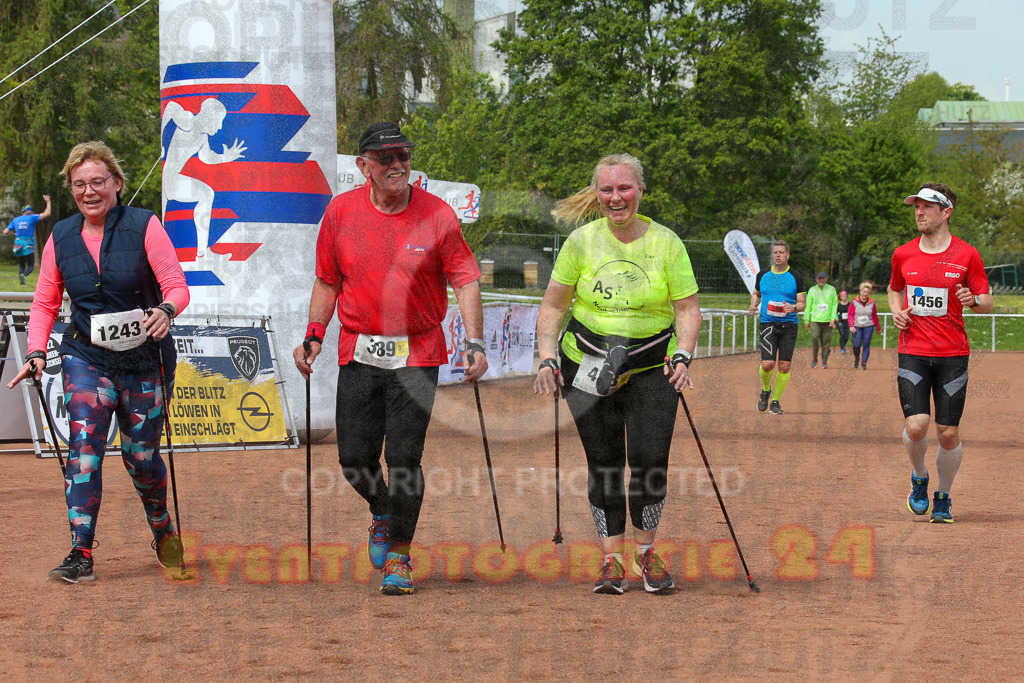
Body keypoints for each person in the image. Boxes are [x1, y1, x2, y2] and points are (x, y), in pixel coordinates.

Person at [293, 122, 487, 596]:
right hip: (358, 349)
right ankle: (382, 511)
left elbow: (465, 278)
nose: (397, 164)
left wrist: (475, 341)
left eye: (402, 155)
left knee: (404, 457)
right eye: (385, 158)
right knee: (354, 458)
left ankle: (399, 556)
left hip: (417, 351)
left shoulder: (438, 216)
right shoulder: (340, 212)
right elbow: (327, 280)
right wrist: (314, 334)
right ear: (364, 167)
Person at [5, 141, 189, 582]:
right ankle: (81, 552)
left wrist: (165, 311)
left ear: (117, 184)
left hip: (146, 359)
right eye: (79, 185)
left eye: (97, 182)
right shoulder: (61, 236)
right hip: (86, 357)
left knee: (141, 457)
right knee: (84, 448)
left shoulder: (145, 225)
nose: (89, 192)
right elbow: (44, 303)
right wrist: (34, 352)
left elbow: (176, 286)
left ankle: (162, 529)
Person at [533, 154, 701, 595]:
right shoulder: (581, 242)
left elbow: (686, 307)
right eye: (606, 190)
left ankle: (645, 553)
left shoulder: (667, 243)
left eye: (623, 188)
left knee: (649, 462)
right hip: (587, 364)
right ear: (597, 195)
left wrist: (683, 354)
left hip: (650, 368)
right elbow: (553, 304)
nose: (615, 197)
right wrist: (547, 356)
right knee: (603, 464)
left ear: (640, 190)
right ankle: (610, 561)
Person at [888, 183, 992, 524]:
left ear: (946, 213)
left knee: (947, 432)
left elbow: (986, 303)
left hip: (952, 355)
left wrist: (972, 300)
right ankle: (919, 477)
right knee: (917, 427)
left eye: (927, 207)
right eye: (916, 207)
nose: (918, 212)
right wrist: (896, 311)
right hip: (913, 351)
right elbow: (894, 289)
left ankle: (943, 496)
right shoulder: (903, 253)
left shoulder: (967, 254)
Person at [161, 98, 247, 259]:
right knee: (206, 194)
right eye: (219, 121)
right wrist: (162, 142)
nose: (220, 127)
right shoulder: (189, 121)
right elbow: (172, 106)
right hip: (170, 179)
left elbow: (207, 158)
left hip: (173, 179)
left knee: (206, 194)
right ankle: (201, 252)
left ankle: (202, 251)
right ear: (209, 116)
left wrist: (226, 157)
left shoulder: (202, 137)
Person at [749, 241, 806, 415]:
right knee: (767, 364)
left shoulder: (796, 277)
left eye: (781, 252)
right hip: (768, 324)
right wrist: (753, 305)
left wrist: (794, 308)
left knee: (784, 365)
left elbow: (802, 303)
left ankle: (775, 401)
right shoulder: (763, 275)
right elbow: (756, 294)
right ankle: (766, 390)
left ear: (788, 255)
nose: (778, 255)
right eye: (775, 252)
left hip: (789, 325)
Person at [3, 196, 51, 284]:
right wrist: (48, 201)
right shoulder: (32, 217)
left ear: (23, 212)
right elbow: (47, 213)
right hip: (27, 242)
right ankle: (24, 276)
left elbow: (5, 231)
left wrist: (14, 234)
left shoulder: (16, 220)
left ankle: (22, 281)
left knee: (21, 264)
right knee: (30, 265)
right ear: (30, 211)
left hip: (18, 241)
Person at [804, 271, 838, 368]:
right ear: (817, 280)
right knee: (814, 338)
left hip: (827, 320)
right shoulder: (812, 290)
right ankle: (814, 358)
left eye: (823, 278)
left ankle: (824, 360)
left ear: (826, 279)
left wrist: (833, 318)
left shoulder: (832, 289)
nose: (821, 280)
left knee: (826, 341)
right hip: (815, 319)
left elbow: (834, 305)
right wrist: (807, 320)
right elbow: (808, 306)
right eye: (820, 278)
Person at [850, 282, 880, 370]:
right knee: (857, 344)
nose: (865, 294)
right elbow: (850, 315)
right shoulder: (855, 301)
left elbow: (874, 315)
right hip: (857, 326)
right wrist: (851, 325)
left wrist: (878, 327)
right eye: (864, 292)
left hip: (869, 325)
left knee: (866, 344)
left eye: (867, 292)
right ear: (860, 291)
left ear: (869, 293)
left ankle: (864, 363)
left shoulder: (872, 302)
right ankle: (856, 359)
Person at [836, 290, 851, 354]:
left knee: (847, 335)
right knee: (842, 334)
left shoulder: (850, 304)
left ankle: (843, 345)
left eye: (845, 296)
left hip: (848, 322)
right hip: (840, 321)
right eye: (843, 296)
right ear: (840, 297)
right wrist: (836, 318)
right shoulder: (838, 305)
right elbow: (836, 313)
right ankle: (842, 348)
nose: (844, 297)